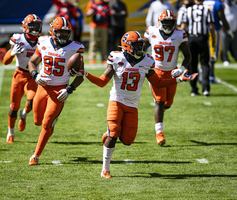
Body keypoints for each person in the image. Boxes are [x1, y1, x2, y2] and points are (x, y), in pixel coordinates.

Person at [70, 31, 197, 178]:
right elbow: (103, 82)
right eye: (136, 45)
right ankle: (105, 169)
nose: (139, 47)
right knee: (114, 132)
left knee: (128, 140)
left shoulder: (147, 61)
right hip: (116, 100)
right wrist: (85, 74)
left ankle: (109, 133)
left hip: (132, 105)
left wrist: (179, 79)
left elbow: (157, 82)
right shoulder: (116, 57)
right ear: (126, 46)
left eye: (140, 44)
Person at [27, 16, 85, 165]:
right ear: (53, 31)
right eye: (60, 32)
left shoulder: (76, 48)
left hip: (60, 91)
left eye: (66, 33)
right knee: (37, 122)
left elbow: (81, 75)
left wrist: (69, 89)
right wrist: (35, 74)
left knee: (46, 124)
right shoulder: (43, 42)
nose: (64, 36)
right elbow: (32, 62)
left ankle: (35, 156)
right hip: (42, 86)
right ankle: (51, 123)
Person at [143, 10, 191, 146]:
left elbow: (187, 55)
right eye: (166, 23)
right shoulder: (152, 31)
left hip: (172, 72)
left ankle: (161, 113)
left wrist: (181, 69)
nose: (168, 25)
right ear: (160, 23)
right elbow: (142, 49)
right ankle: (159, 133)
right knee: (159, 101)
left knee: (168, 104)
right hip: (156, 71)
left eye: (171, 23)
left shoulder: (180, 34)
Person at [3, 14, 42, 143]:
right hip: (19, 75)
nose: (36, 28)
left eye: (37, 25)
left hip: (32, 75)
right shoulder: (17, 38)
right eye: (33, 26)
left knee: (31, 102)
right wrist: (12, 53)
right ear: (25, 26)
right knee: (13, 108)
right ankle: (11, 132)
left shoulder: (42, 41)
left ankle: (24, 114)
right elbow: (5, 61)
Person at [181, 0, 216, 96]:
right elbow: (211, 27)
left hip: (191, 38)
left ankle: (193, 89)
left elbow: (183, 27)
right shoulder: (207, 10)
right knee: (205, 64)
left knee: (192, 64)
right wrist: (213, 40)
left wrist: (181, 41)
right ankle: (205, 89)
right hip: (202, 38)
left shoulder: (188, 10)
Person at [203, 0, 233, 83]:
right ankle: (210, 75)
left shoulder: (204, 2)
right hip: (213, 30)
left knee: (206, 53)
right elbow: (222, 18)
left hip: (202, 31)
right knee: (213, 54)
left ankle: (206, 74)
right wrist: (229, 31)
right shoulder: (217, 4)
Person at [85, 0, 111, 65]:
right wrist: (89, 13)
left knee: (104, 43)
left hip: (104, 25)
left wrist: (109, 27)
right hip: (94, 25)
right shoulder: (92, 2)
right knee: (93, 42)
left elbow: (109, 16)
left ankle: (103, 58)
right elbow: (87, 13)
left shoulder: (106, 4)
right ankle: (92, 58)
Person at [221, 0, 237, 66]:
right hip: (225, 29)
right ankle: (225, 59)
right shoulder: (223, 6)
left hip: (234, 29)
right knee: (224, 45)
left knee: (235, 46)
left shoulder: (235, 6)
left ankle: (236, 58)